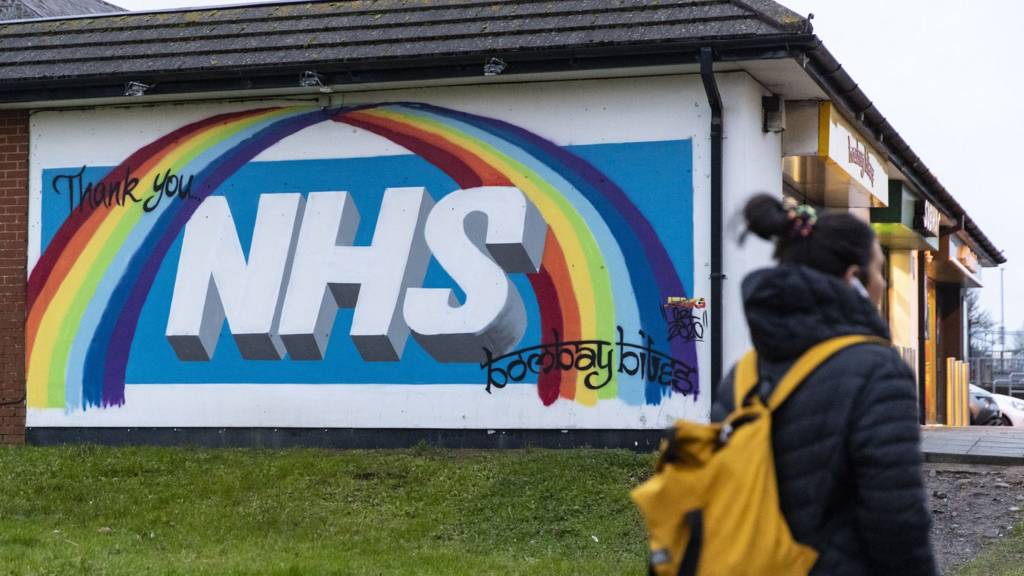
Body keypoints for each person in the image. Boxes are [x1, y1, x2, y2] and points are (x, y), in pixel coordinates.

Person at [711, 194, 937, 575]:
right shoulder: (879, 371)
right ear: (854, 279)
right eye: (879, 270)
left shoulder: (743, 374)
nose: (882, 283)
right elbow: (896, 519)